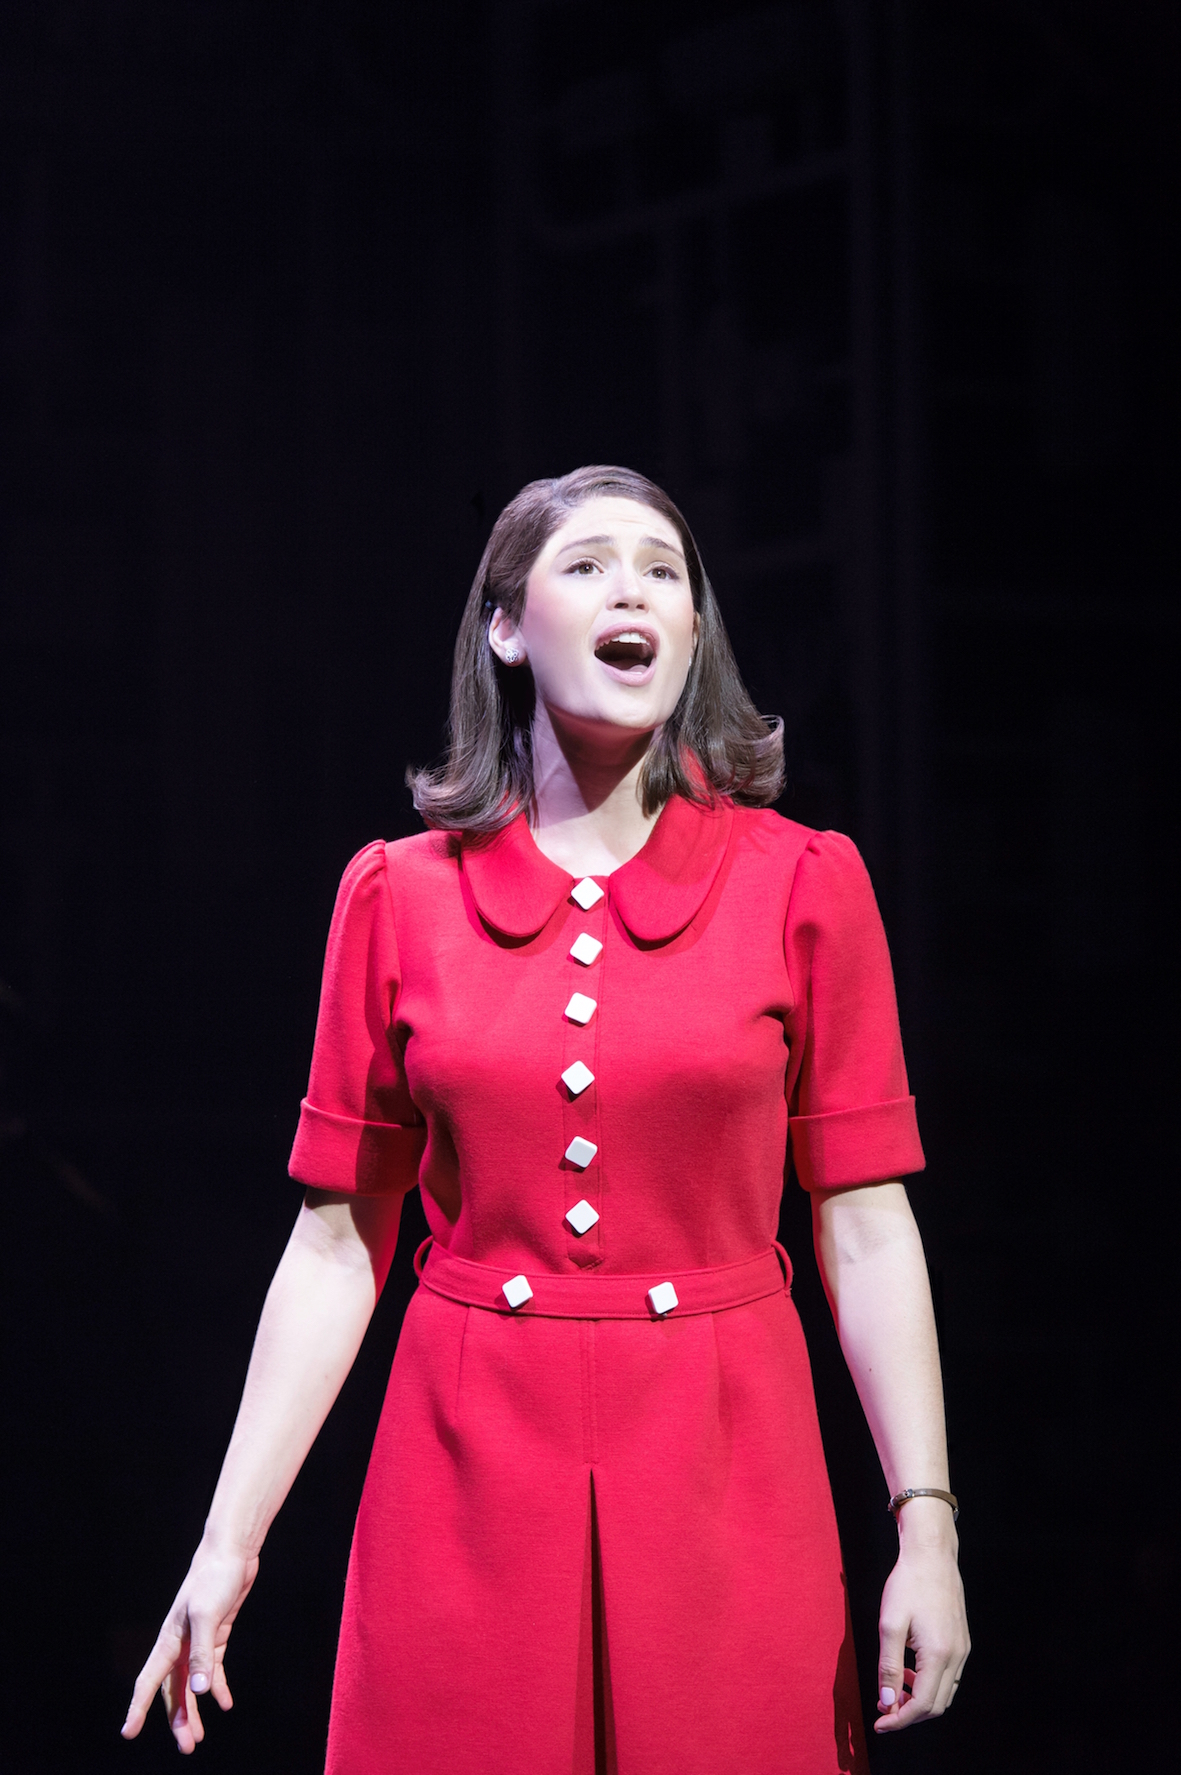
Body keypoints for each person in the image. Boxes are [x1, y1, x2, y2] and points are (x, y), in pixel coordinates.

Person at [122, 465, 969, 1772]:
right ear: (506, 627)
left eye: (663, 571)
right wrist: (227, 1548)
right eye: (586, 564)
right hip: (463, 1469)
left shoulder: (802, 883)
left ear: (691, 635)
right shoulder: (394, 897)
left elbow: (863, 1228)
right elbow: (334, 1247)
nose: (631, 586)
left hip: (724, 1459)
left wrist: (926, 1528)